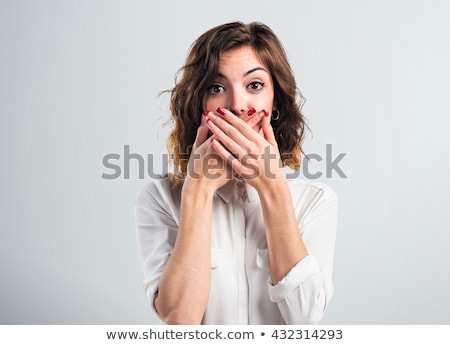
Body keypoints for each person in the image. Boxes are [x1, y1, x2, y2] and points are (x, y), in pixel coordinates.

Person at [135, 21, 337, 325]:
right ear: (198, 104)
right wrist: (198, 190)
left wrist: (272, 189)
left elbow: (305, 320)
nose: (237, 105)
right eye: (217, 88)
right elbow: (179, 320)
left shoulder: (315, 201)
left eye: (254, 85)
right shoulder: (159, 197)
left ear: (276, 103)